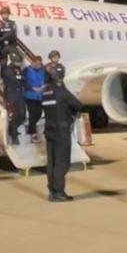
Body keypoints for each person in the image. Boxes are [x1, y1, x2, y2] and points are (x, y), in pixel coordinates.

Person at [42, 66, 82, 202]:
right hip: (61, 131)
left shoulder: (45, 92)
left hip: (49, 130)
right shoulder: (62, 92)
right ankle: (59, 191)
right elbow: (78, 105)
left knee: (52, 163)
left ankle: (52, 191)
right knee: (62, 162)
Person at [2, 53, 27, 146]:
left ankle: (13, 129)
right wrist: (20, 78)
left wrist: (20, 78)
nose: (18, 63)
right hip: (11, 94)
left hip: (19, 93)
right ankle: (14, 137)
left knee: (22, 115)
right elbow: (14, 79)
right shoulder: (8, 69)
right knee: (15, 115)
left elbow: (23, 79)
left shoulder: (18, 69)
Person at [24, 56, 46, 143]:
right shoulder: (26, 70)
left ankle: (31, 126)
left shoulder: (43, 70)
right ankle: (32, 132)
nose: (38, 65)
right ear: (32, 62)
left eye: (39, 64)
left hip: (40, 95)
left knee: (39, 113)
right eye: (36, 64)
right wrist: (32, 88)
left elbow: (46, 80)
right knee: (32, 113)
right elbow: (23, 82)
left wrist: (43, 87)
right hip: (30, 95)